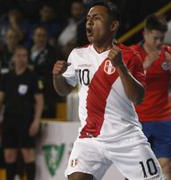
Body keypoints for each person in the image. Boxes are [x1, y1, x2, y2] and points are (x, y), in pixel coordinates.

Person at [52, 1, 164, 180]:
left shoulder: (129, 56)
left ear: (113, 25)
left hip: (126, 137)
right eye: (88, 18)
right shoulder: (77, 55)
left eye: (96, 18)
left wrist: (120, 67)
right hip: (90, 137)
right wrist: (57, 76)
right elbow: (63, 90)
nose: (89, 22)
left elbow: (138, 97)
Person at [130, 14, 171, 180]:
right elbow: (124, 87)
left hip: (162, 119)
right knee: (136, 171)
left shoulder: (170, 53)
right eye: (155, 38)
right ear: (145, 34)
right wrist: (145, 66)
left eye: (162, 38)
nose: (159, 43)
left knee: (166, 167)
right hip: (137, 121)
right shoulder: (133, 54)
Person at [0, 46, 44, 180]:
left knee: (28, 153)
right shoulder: (7, 77)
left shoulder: (32, 77)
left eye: (25, 56)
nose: (22, 59)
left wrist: (36, 120)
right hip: (9, 120)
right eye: (19, 56)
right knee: (9, 154)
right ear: (14, 58)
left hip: (26, 121)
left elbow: (39, 101)